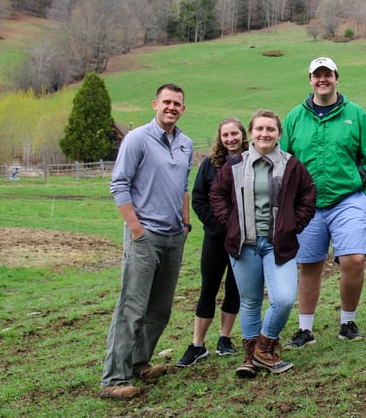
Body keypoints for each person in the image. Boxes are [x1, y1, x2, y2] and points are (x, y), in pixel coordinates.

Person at [280, 57, 366, 347]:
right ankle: (305, 330)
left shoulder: (355, 114)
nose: (322, 79)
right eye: (317, 75)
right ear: (310, 79)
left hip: (347, 198)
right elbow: (283, 163)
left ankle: (347, 322)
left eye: (328, 74)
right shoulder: (294, 118)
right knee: (310, 265)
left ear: (336, 78)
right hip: (308, 204)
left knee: (353, 259)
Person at [100, 83, 193, 401]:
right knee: (132, 307)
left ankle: (140, 363)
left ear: (183, 109)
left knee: (160, 308)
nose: (171, 107)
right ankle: (114, 378)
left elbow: (184, 185)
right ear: (155, 104)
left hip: (173, 236)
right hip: (145, 235)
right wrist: (136, 229)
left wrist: (185, 221)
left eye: (177, 103)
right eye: (166, 102)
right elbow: (119, 183)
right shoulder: (137, 139)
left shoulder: (185, 143)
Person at [210, 109, 316, 376]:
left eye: (270, 129)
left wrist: (294, 225)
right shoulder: (235, 163)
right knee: (250, 301)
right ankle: (250, 358)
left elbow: (308, 196)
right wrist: (229, 223)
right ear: (252, 133)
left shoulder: (291, 165)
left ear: (278, 134)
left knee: (282, 298)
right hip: (243, 245)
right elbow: (217, 196)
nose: (264, 134)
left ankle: (263, 348)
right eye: (259, 129)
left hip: (278, 245)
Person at [177, 118, 248, 367]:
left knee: (235, 287)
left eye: (234, 134)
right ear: (220, 137)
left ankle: (225, 338)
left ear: (242, 135)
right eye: (225, 135)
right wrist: (216, 225)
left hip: (244, 238)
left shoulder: (251, 160)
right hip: (216, 237)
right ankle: (197, 344)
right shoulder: (210, 163)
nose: (230, 139)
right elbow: (198, 198)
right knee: (209, 287)